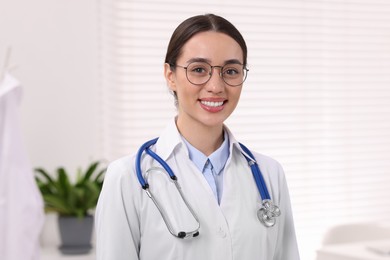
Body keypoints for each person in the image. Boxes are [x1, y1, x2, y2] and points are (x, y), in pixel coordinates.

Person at [95, 13, 300, 260]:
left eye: (231, 71)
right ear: (170, 75)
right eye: (199, 69)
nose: (216, 85)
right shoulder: (127, 177)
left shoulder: (269, 174)